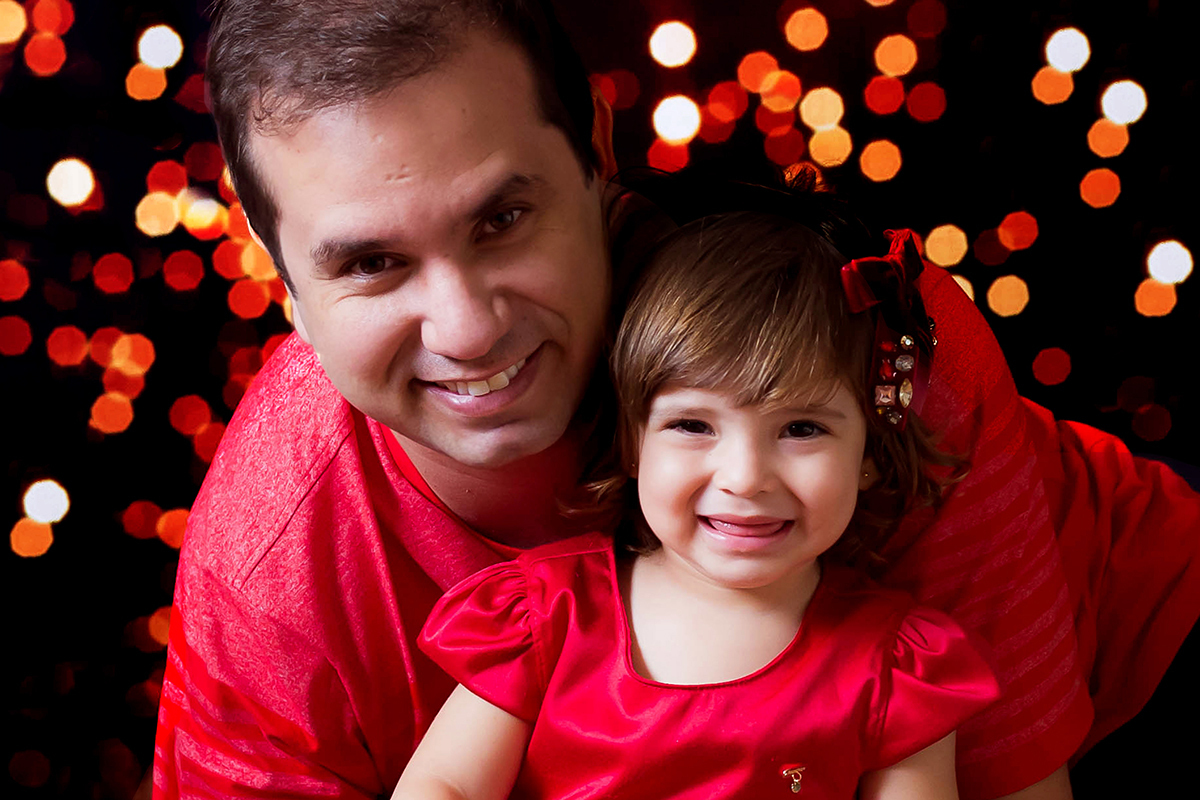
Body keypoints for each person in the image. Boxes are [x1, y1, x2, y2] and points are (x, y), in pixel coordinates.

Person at [154, 1, 1200, 799]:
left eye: (503, 216)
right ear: (282, 276)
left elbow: (1012, 777)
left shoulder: (867, 333)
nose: (467, 327)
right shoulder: (267, 572)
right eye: (372, 264)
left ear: (596, 153)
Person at [393, 180, 1003, 799]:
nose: (744, 477)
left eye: (801, 428)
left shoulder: (896, 671)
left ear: (869, 454)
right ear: (634, 442)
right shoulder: (548, 617)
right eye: (692, 425)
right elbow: (445, 785)